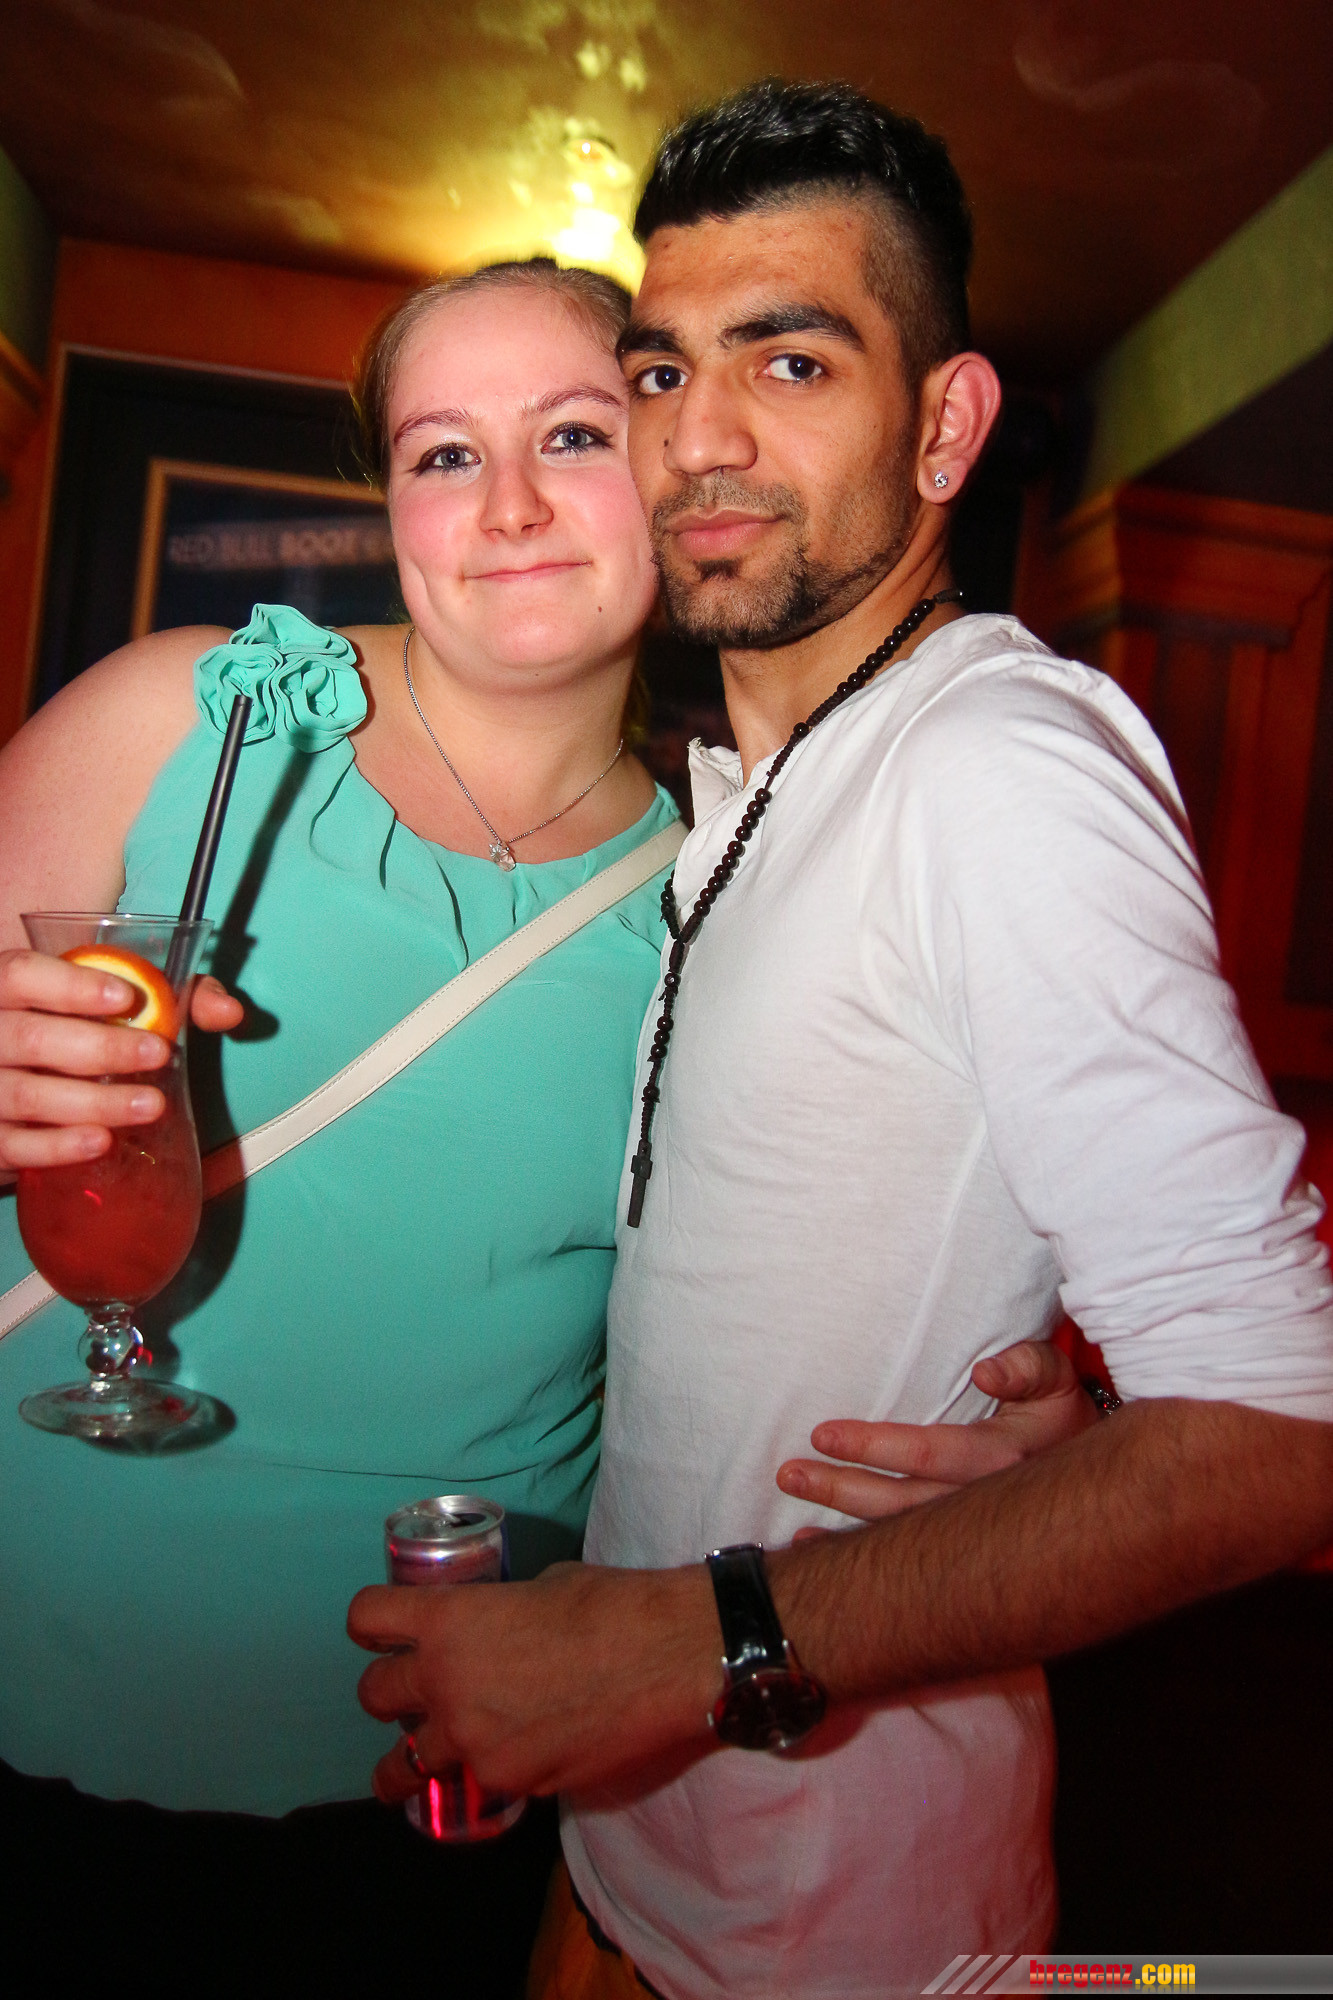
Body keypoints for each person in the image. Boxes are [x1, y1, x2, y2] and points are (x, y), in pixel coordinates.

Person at [348, 84, 1333, 1998]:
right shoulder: (746, 792)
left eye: (790, 362)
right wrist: (1061, 1435)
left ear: (943, 428)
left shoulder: (995, 764)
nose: (699, 438)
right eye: (660, 370)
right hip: (631, 1867)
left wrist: (683, 1643)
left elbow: (1282, 1430)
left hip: (837, 1937)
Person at [0, 251, 1073, 1986]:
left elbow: (809, 1301)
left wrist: (1014, 1418)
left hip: (425, 1746)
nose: (504, 506)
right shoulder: (177, 722)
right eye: (442, 453)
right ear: (391, 504)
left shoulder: (735, 909)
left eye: (571, 434)